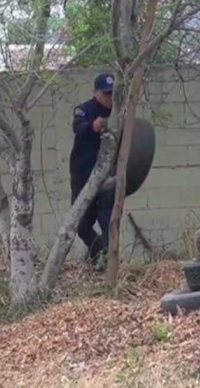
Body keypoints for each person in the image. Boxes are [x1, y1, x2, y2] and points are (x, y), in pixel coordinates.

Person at [69, 73, 115, 269]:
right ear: (95, 92)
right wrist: (92, 126)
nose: (109, 98)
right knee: (81, 224)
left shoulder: (118, 111)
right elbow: (78, 127)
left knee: (107, 220)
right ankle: (98, 253)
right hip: (83, 174)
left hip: (108, 175)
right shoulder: (84, 110)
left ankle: (109, 261)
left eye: (112, 94)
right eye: (105, 94)